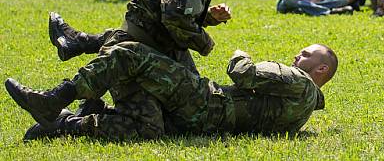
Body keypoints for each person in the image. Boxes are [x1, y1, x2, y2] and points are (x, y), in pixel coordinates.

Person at [42, 0, 247, 138]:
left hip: (143, 53)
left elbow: (169, 15)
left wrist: (209, 17)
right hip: (130, 62)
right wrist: (206, 43)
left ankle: (79, 47)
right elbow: (175, 19)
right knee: (151, 127)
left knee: (186, 109)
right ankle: (65, 124)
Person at [6, 43, 336, 140]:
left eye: (306, 55)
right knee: (146, 123)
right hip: (209, 120)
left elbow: (242, 73)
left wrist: (241, 53)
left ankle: (56, 102)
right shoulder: (303, 115)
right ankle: (74, 120)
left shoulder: (298, 80)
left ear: (321, 70)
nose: (297, 57)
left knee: (130, 54)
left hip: (206, 104)